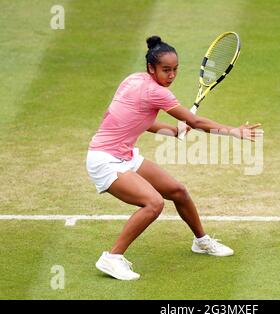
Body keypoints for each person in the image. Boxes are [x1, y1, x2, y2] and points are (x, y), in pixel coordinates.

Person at [86, 35, 263, 281]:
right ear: (151, 68)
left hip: (124, 154)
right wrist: (233, 131)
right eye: (165, 70)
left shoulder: (132, 80)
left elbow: (137, 120)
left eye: (175, 70)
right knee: (154, 203)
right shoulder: (157, 93)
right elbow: (196, 121)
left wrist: (172, 131)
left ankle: (201, 241)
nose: (171, 75)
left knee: (178, 191)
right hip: (105, 160)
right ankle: (112, 257)